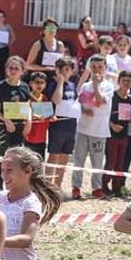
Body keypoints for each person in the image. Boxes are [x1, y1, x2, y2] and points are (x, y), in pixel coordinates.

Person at [71, 55, 114, 200]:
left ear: (105, 68)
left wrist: (96, 84)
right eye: (93, 67)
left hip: (99, 130)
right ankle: (76, 187)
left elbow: (101, 101)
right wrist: (83, 110)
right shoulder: (85, 86)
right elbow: (80, 102)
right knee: (79, 159)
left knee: (97, 160)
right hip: (82, 128)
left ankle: (96, 188)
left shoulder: (108, 86)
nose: (96, 70)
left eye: (100, 67)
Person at [0, 55, 31, 193]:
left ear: (22, 71)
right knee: (3, 157)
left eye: (16, 68)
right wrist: (5, 119)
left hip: (19, 128)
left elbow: (28, 106)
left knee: (18, 159)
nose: (13, 71)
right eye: (10, 68)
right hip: (4, 127)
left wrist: (29, 122)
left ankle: (15, 187)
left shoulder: (25, 87)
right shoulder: (1, 86)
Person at [45, 57, 79, 188]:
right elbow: (56, 100)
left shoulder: (73, 85)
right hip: (57, 126)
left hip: (71, 125)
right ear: (57, 70)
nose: (65, 72)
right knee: (53, 156)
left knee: (64, 158)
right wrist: (60, 83)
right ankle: (47, 186)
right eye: (62, 69)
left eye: (67, 69)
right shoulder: (53, 85)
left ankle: (57, 187)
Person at [103, 71, 131, 196]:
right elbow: (105, 115)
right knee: (111, 161)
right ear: (119, 81)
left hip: (124, 135)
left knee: (120, 163)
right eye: (124, 80)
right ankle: (104, 185)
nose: (126, 83)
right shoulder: (112, 97)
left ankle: (116, 188)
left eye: (129, 81)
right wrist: (112, 125)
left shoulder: (130, 101)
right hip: (111, 135)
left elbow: (129, 119)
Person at [24, 71, 52, 159]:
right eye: (37, 82)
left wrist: (51, 117)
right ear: (31, 83)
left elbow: (48, 116)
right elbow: (21, 116)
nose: (39, 85)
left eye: (42, 82)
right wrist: (32, 117)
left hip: (41, 138)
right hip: (28, 137)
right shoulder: (26, 98)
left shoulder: (46, 98)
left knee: (39, 164)